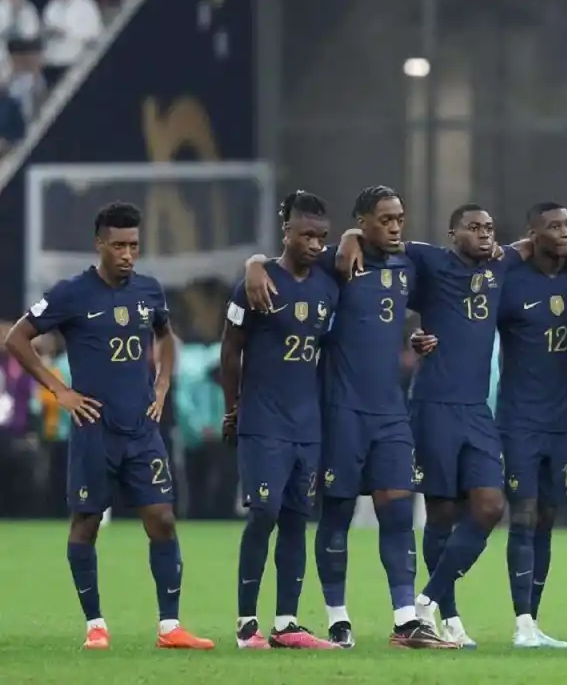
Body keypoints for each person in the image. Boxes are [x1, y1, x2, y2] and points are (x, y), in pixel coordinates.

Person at [340, 203, 567, 647]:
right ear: (452, 233)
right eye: (474, 228)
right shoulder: (427, 259)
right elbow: (374, 245)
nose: (484, 234)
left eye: (490, 227)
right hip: (433, 404)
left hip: (476, 408)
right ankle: (452, 619)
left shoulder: (501, 263)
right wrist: (347, 237)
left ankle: (427, 601)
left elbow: (549, 240)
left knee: (489, 507)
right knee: (441, 513)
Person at [241, 186, 451, 649]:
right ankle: (338, 616)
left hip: (391, 411)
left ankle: (404, 619)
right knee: (336, 515)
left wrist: (419, 336)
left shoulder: (407, 266)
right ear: (362, 222)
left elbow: (404, 313)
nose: (396, 226)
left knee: (397, 512)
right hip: (339, 410)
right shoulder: (334, 261)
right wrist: (253, 263)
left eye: (400, 217)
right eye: (384, 219)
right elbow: (286, 260)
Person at [3, 202, 213, 651]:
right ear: (99, 244)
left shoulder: (150, 291)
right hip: (93, 429)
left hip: (141, 429)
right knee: (86, 523)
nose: (126, 254)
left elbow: (164, 335)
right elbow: (16, 338)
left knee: (162, 519)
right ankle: (95, 624)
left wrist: (161, 385)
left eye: (133, 245)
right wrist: (60, 391)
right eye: (118, 245)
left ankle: (169, 627)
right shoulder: (71, 293)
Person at [220, 191, 341, 650]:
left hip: (307, 423)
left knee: (295, 518)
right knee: (264, 513)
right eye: (306, 235)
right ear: (286, 233)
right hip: (263, 420)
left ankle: (287, 623)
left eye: (321, 237)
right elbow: (230, 350)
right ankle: (247, 624)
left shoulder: (329, 284)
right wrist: (232, 408)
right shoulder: (256, 283)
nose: (314, 244)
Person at [495, 202, 567, 648]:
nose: (564, 231)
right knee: (524, 514)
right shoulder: (511, 281)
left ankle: (534, 620)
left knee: (549, 518)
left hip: (563, 420)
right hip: (520, 419)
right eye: (553, 226)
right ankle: (521, 622)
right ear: (532, 233)